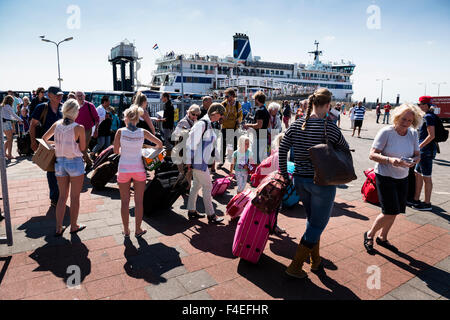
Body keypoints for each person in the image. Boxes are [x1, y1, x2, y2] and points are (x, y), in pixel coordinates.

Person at [278, 88, 349, 279]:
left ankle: (315, 261)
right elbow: (345, 148)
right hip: (322, 182)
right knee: (318, 224)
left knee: (312, 220)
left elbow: (282, 149)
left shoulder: (296, 125)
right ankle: (295, 265)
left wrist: (285, 175)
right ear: (327, 105)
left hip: (300, 180)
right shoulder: (330, 127)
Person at [364, 104, 422, 252]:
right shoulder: (386, 132)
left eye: (409, 120)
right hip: (385, 176)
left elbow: (417, 154)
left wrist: (414, 161)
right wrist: (391, 160)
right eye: (403, 119)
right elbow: (372, 154)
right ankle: (370, 234)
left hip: (403, 176)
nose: (406, 123)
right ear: (397, 117)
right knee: (389, 211)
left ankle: (383, 237)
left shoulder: (413, 133)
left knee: (396, 210)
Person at [114, 105, 163, 237]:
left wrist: (125, 150)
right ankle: (138, 229)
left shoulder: (120, 132)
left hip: (123, 168)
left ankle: (126, 230)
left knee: (124, 202)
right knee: (138, 202)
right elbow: (160, 144)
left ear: (126, 118)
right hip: (138, 169)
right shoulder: (143, 132)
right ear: (137, 119)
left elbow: (115, 150)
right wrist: (146, 150)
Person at [42, 99, 87, 236]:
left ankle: (58, 227)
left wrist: (57, 144)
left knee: (62, 197)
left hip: (60, 162)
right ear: (75, 111)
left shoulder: (57, 125)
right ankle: (73, 226)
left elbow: (44, 138)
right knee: (75, 197)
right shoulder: (79, 127)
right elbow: (83, 148)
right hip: (75, 162)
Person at [186, 103, 226, 224]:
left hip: (200, 162)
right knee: (207, 187)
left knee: (196, 186)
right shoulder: (203, 124)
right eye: (221, 114)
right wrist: (188, 161)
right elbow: (191, 143)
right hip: (200, 162)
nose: (222, 117)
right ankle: (211, 215)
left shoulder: (206, 123)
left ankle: (191, 210)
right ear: (215, 113)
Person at [30, 86, 64, 207]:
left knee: (62, 171)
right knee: (51, 171)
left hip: (62, 146)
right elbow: (32, 125)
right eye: (57, 95)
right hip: (48, 146)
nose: (59, 97)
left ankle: (61, 195)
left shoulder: (63, 107)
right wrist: (33, 142)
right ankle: (55, 198)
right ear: (49, 95)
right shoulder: (41, 107)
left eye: (60, 95)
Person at [411, 96, 438, 211]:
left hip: (426, 152)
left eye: (420, 104)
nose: (419, 106)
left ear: (426, 105)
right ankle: (416, 199)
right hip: (423, 151)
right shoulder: (428, 116)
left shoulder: (428, 117)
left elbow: (431, 135)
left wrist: (418, 147)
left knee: (426, 177)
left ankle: (427, 203)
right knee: (418, 174)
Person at [173, 104, 201, 189]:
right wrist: (187, 132)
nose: (195, 116)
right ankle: (184, 188)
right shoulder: (183, 122)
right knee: (183, 172)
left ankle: (186, 188)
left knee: (189, 172)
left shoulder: (195, 121)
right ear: (189, 112)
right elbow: (175, 135)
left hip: (189, 150)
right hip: (181, 151)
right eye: (193, 114)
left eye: (197, 115)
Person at [74, 91, 100, 170]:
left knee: (83, 148)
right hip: (75, 129)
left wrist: (96, 130)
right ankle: (88, 162)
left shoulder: (90, 105)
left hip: (87, 129)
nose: (79, 97)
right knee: (75, 148)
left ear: (84, 96)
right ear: (75, 97)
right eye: (78, 96)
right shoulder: (73, 106)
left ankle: (87, 163)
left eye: (81, 95)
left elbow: (97, 119)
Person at [243, 91, 269, 164]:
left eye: (255, 99)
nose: (254, 101)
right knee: (262, 157)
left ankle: (257, 174)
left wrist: (247, 125)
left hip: (259, 137)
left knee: (257, 158)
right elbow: (268, 125)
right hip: (264, 135)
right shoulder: (265, 109)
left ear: (257, 99)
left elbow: (259, 125)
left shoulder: (259, 111)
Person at [220, 88, 243, 165]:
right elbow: (219, 114)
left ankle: (234, 162)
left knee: (235, 146)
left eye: (227, 96)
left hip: (234, 128)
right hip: (225, 127)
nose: (226, 98)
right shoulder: (223, 104)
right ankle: (221, 161)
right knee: (223, 145)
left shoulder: (238, 104)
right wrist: (221, 117)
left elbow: (241, 115)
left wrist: (238, 120)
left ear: (233, 96)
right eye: (225, 96)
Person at [1, 95, 23, 160]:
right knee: (10, 140)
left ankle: (4, 153)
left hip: (3, 123)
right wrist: (21, 120)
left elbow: (10, 116)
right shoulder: (8, 106)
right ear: (11, 101)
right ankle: (9, 155)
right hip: (7, 123)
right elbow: (14, 115)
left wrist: (17, 120)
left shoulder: (2, 106)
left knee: (8, 139)